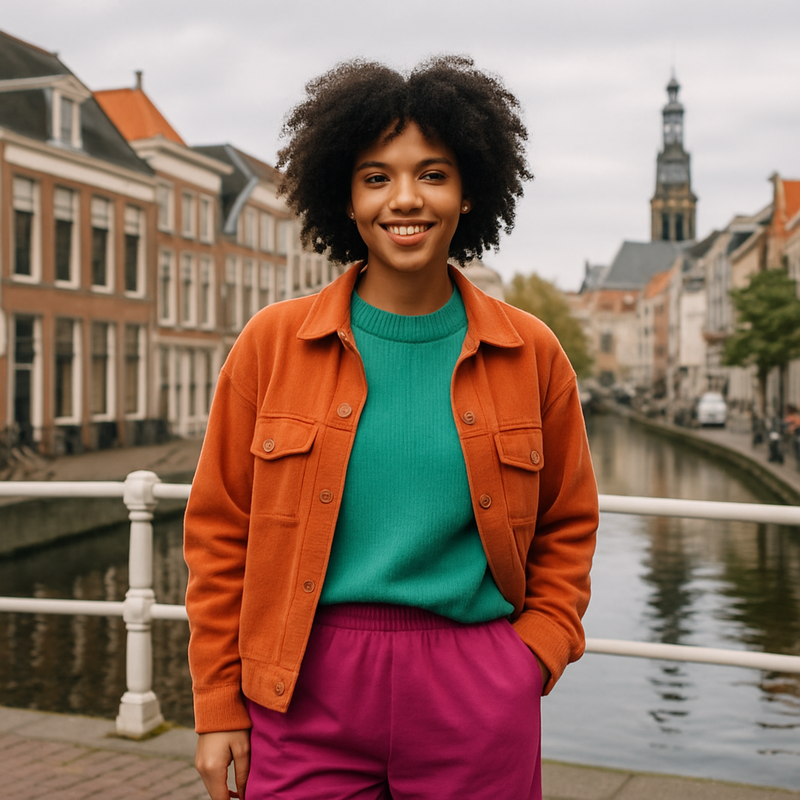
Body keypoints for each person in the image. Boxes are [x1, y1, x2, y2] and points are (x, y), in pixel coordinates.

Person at [184, 56, 598, 800]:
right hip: (301, 684)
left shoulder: (532, 352)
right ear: (344, 197)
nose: (405, 198)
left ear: (470, 190)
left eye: (432, 174)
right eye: (376, 177)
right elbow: (219, 535)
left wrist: (531, 656)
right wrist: (219, 705)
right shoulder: (270, 346)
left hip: (476, 690)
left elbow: (569, 524)